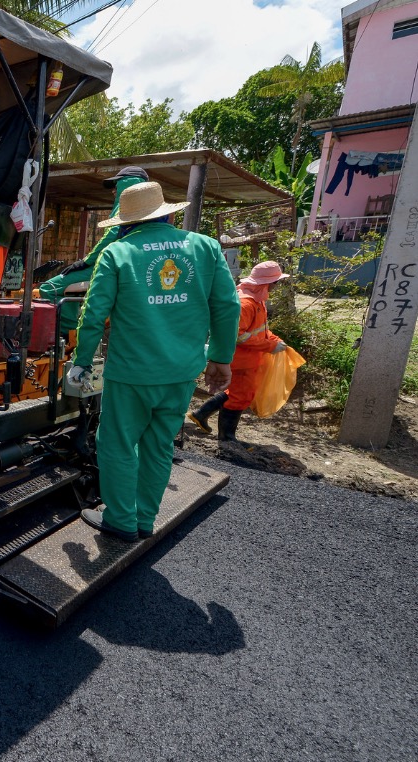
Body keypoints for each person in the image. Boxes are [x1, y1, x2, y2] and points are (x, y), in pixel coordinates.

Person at [66, 182, 240, 542]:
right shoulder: (206, 247)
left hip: (131, 372)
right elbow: (227, 306)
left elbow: (93, 314)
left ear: (125, 223)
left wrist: (80, 362)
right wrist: (220, 359)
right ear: (168, 213)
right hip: (181, 372)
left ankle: (121, 520)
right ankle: (145, 519)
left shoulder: (117, 253)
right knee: (159, 444)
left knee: (116, 442)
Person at [187, 261, 290, 442]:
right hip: (240, 361)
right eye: (275, 282)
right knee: (241, 396)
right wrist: (270, 346)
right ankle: (227, 438)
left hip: (247, 360)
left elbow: (259, 330)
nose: (276, 285)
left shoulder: (257, 300)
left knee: (234, 393)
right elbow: (238, 336)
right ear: (266, 283)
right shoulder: (246, 304)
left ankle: (200, 414)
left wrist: (274, 340)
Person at [38, 166, 148, 334]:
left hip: (108, 265)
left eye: (116, 185)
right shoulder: (146, 209)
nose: (113, 190)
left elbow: (110, 236)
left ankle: (68, 333)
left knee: (47, 288)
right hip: (129, 265)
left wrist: (85, 261)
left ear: (127, 184)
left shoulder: (124, 207)